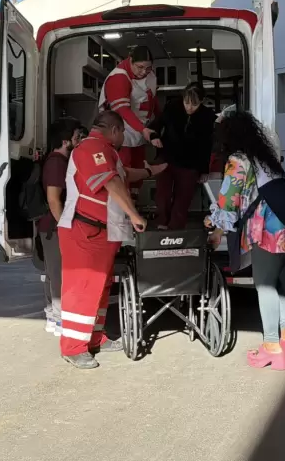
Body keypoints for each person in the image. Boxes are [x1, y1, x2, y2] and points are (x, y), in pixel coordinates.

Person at [205, 108, 285, 371]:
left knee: (263, 284)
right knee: (273, 280)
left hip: (269, 225)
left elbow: (227, 201)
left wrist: (214, 224)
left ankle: (272, 348)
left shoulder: (238, 160)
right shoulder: (264, 157)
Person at [56, 111, 166, 369]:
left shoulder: (106, 152)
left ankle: (94, 337)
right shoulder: (92, 148)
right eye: (123, 134)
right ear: (115, 130)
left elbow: (124, 173)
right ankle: (73, 347)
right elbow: (112, 182)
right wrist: (134, 215)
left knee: (99, 288)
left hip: (100, 232)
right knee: (82, 289)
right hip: (84, 231)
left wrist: (151, 170)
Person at [37, 117, 86, 336]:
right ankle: (58, 319)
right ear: (66, 140)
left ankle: (53, 316)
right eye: (76, 135)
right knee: (58, 274)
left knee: (53, 273)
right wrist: (66, 226)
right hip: (55, 227)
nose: (79, 138)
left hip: (51, 226)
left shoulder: (57, 160)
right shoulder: (57, 162)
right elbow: (54, 200)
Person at [144, 82, 215, 230]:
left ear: (201, 102)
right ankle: (161, 223)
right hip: (167, 156)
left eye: (194, 104)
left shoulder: (207, 117)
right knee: (162, 194)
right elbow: (158, 123)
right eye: (186, 102)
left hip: (191, 162)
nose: (189, 107)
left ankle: (175, 229)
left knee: (183, 199)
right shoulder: (172, 106)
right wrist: (154, 136)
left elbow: (207, 145)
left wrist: (204, 170)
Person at [98, 45, 159, 194]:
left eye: (148, 68)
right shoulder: (118, 78)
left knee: (139, 168)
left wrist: (160, 122)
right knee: (123, 170)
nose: (143, 72)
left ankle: (134, 203)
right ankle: (124, 205)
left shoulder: (150, 76)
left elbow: (153, 102)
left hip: (140, 129)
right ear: (130, 60)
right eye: (140, 67)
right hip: (120, 131)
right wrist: (143, 129)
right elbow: (122, 109)